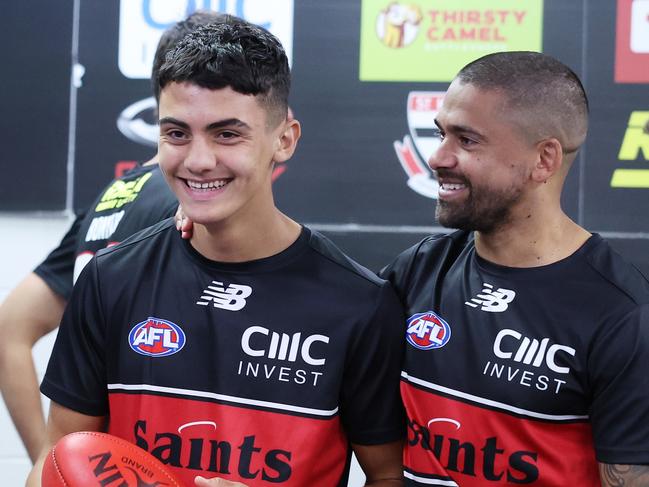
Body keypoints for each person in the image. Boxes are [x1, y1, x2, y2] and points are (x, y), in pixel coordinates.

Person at [27, 15, 405, 487]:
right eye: (176, 133)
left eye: (227, 134)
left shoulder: (360, 303)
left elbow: (389, 477)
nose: (199, 160)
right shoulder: (110, 279)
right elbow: (56, 458)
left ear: (284, 139)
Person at [380, 51, 649, 486]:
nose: (438, 157)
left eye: (466, 140)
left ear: (544, 160)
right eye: (441, 134)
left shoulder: (621, 315)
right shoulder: (417, 270)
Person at [0, 10, 222, 465]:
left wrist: (50, 462)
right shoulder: (197, 201)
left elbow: (8, 330)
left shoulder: (110, 197)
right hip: (163, 459)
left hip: (104, 463)